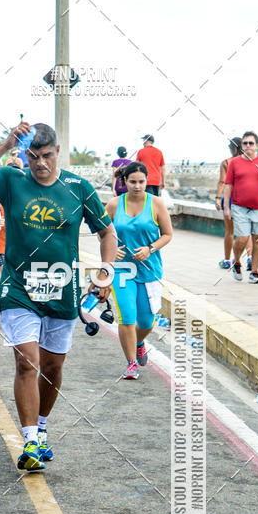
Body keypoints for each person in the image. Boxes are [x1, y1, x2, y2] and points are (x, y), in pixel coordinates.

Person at [0, 121, 117, 470]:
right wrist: (6, 144)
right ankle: (30, 441)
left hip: (63, 289)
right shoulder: (12, 179)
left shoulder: (78, 188)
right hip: (19, 287)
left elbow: (107, 233)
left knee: (52, 366)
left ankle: (43, 427)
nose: (40, 164)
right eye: (33, 157)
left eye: (47, 156)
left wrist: (106, 272)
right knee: (26, 361)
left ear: (58, 151)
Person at [105, 162, 173, 379]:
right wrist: (112, 250)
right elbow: (103, 232)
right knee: (127, 316)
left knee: (145, 322)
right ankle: (131, 363)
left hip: (149, 270)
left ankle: (139, 342)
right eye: (132, 181)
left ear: (147, 181)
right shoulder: (114, 205)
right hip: (122, 270)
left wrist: (150, 249)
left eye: (141, 182)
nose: (137, 186)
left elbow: (168, 234)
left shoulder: (156, 204)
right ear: (124, 182)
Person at [223, 131, 258, 284]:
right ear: (242, 145)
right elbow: (228, 185)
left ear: (257, 145)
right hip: (240, 208)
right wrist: (226, 207)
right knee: (242, 238)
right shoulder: (235, 163)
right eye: (245, 143)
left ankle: (255, 272)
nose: (247, 146)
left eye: (251, 143)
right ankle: (237, 262)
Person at [215, 137, 252, 271]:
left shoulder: (226, 162)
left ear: (232, 147)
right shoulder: (249, 161)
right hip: (245, 198)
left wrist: (217, 198)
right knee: (246, 230)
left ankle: (227, 260)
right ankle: (250, 257)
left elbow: (222, 182)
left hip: (230, 198)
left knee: (229, 231)